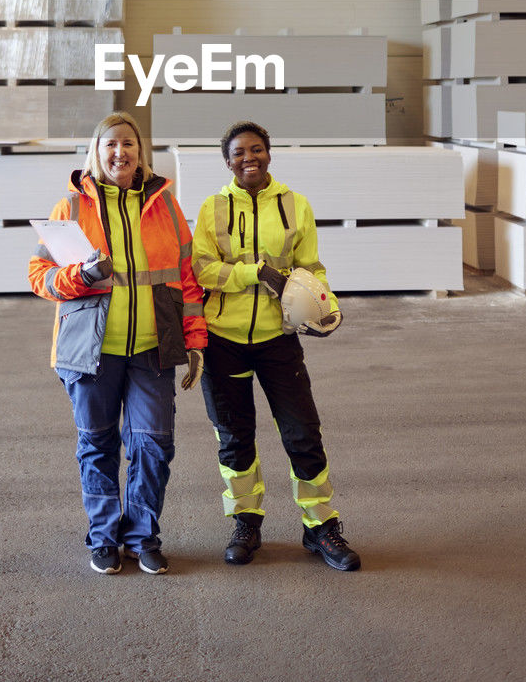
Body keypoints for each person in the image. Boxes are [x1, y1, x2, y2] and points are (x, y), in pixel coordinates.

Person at [29, 111, 207, 576]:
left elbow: (186, 280)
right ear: (96, 151)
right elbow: (39, 277)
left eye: (128, 143)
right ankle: (105, 536)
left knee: (153, 446)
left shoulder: (165, 207)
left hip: (153, 348)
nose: (119, 152)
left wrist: (194, 341)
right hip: (90, 351)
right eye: (110, 144)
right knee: (98, 444)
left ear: (140, 152)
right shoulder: (70, 209)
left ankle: (142, 535)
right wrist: (78, 276)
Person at [192, 120, 360, 571]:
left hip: (278, 340)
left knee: (303, 434)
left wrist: (324, 303)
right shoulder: (212, 209)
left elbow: (311, 267)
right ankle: (246, 522)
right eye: (240, 152)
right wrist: (255, 272)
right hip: (222, 339)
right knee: (234, 438)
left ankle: (321, 527)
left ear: (269, 153)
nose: (250, 158)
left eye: (257, 149)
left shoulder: (295, 205)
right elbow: (203, 270)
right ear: (227, 161)